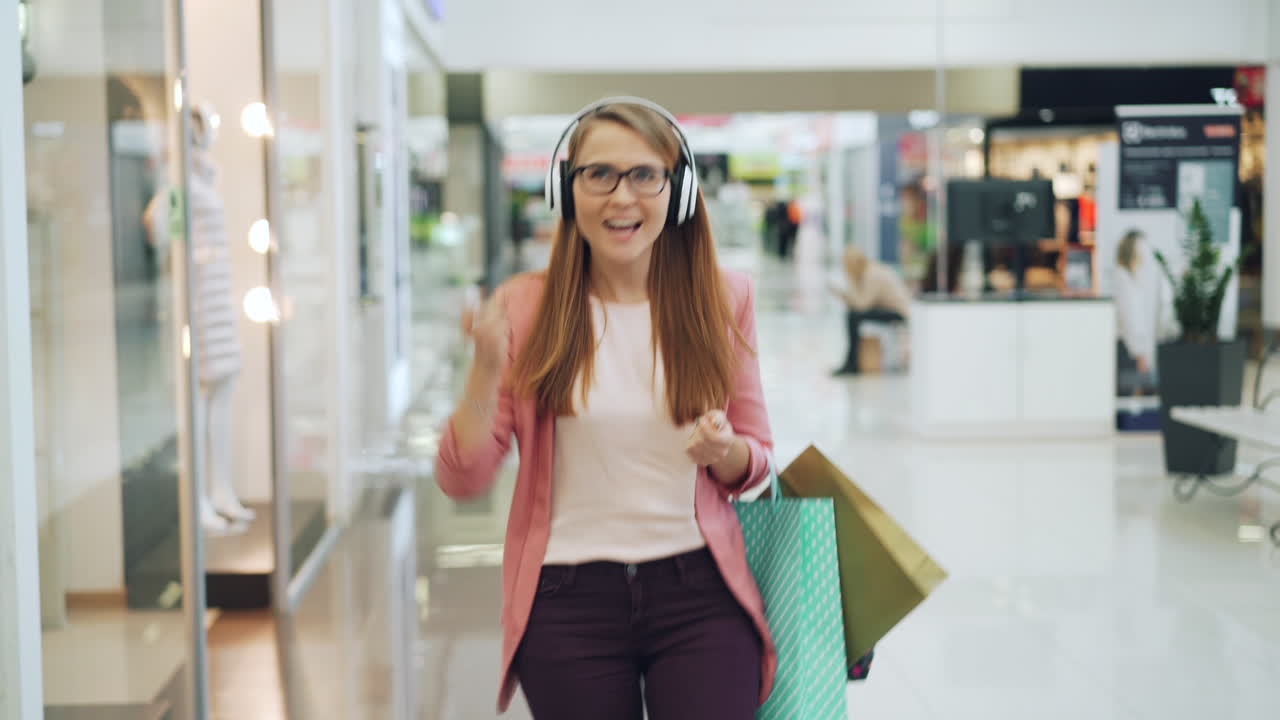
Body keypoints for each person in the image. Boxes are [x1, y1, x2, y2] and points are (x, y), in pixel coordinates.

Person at [435, 98, 777, 719]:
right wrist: (484, 371)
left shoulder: (724, 300)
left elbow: (757, 461)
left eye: (645, 175)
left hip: (700, 592)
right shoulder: (524, 307)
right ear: (565, 191)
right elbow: (464, 477)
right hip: (568, 599)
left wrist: (725, 451)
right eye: (599, 175)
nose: (623, 197)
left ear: (677, 191)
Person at [830, 245, 912, 375]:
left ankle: (852, 363)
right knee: (853, 316)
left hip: (899, 312)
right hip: (888, 309)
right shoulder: (867, 272)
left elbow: (862, 305)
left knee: (854, 316)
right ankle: (851, 363)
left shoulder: (872, 274)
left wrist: (844, 294)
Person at [1113, 229, 1168, 395]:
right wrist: (1140, 353)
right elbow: (1130, 319)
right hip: (1130, 350)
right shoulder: (1124, 279)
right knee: (1131, 397)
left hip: (1133, 349)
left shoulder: (1130, 279)